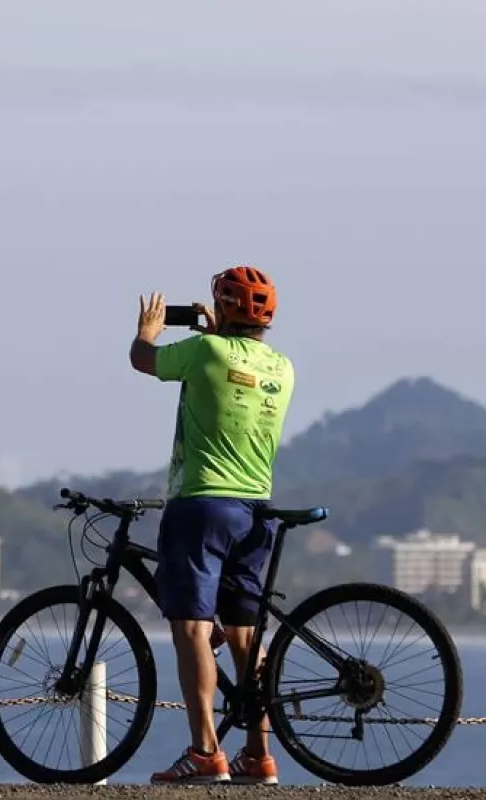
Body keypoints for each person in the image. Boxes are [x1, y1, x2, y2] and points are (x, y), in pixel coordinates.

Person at [128, 265, 295, 785]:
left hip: (200, 506)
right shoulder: (283, 367)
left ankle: (204, 754)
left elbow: (142, 361)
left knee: (192, 629)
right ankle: (258, 757)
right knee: (245, 635)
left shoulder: (205, 352)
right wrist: (216, 333)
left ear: (222, 308)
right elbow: (236, 375)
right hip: (255, 511)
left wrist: (149, 330)